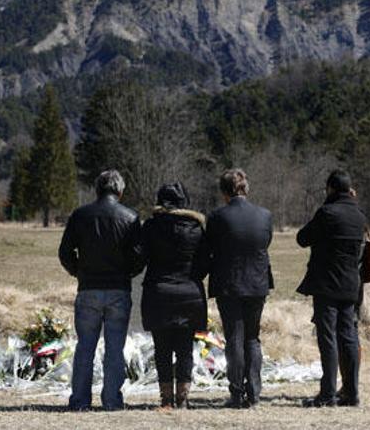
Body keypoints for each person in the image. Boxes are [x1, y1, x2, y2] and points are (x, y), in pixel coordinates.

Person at [58, 170, 143, 411]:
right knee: (115, 349)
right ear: (120, 191)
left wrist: (78, 272)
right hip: (118, 288)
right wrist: (127, 274)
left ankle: (80, 400)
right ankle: (112, 401)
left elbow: (65, 253)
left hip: (88, 288)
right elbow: (139, 256)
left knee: (85, 346)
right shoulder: (130, 217)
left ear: (97, 189)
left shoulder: (80, 215)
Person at [200, 169, 273, 408]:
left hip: (229, 284)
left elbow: (208, 247)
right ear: (245, 188)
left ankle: (236, 392)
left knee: (234, 338)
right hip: (257, 283)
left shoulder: (218, 217)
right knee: (252, 338)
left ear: (224, 192)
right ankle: (254, 392)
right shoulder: (264, 215)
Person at [296, 169, 367, 407]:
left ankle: (327, 393)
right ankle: (351, 392)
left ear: (331, 189)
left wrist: (327, 203)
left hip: (326, 284)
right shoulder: (359, 215)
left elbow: (302, 238)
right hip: (351, 285)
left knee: (328, 338)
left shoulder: (327, 212)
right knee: (348, 336)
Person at [139, 182, 208, 409]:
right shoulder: (197, 228)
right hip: (189, 291)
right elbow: (205, 263)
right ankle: (183, 398)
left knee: (162, 349)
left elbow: (141, 257)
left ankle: (166, 398)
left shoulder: (150, 227)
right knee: (185, 348)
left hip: (158, 291)